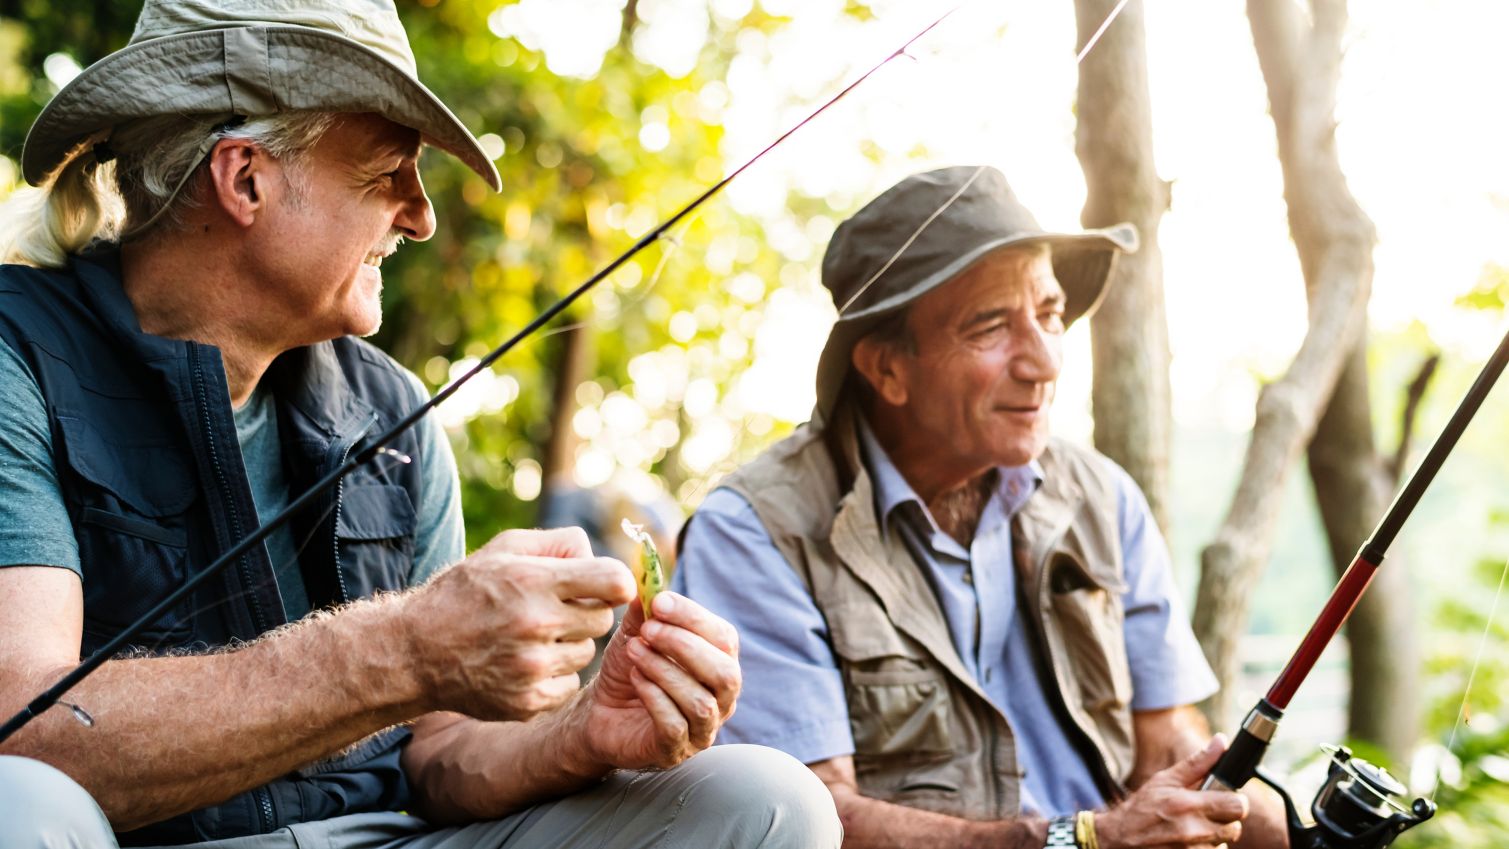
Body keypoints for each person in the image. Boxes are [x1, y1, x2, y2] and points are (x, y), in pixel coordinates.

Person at [0, 2, 841, 847]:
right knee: (16, 800)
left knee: (765, 798)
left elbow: (434, 755)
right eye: (386, 174)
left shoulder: (392, 409)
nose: (422, 215)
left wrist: (582, 731)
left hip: (380, 837)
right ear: (245, 176)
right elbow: (20, 724)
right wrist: (403, 647)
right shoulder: (17, 355)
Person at [674, 166, 1287, 848]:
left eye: (1050, 314)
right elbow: (816, 820)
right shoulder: (758, 531)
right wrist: (1082, 840)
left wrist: (1226, 806)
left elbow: (1164, 732)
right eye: (992, 325)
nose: (1044, 361)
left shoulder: (1102, 495)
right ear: (886, 369)